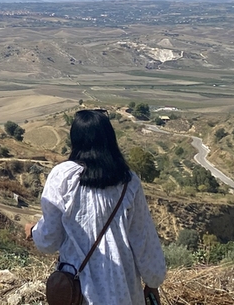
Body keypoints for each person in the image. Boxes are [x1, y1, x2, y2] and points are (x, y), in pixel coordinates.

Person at [25, 109, 166, 305]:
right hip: (124, 289)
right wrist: (153, 282)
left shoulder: (63, 177)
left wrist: (34, 231)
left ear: (75, 140)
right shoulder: (128, 180)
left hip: (79, 291)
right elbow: (143, 238)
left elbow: (50, 240)